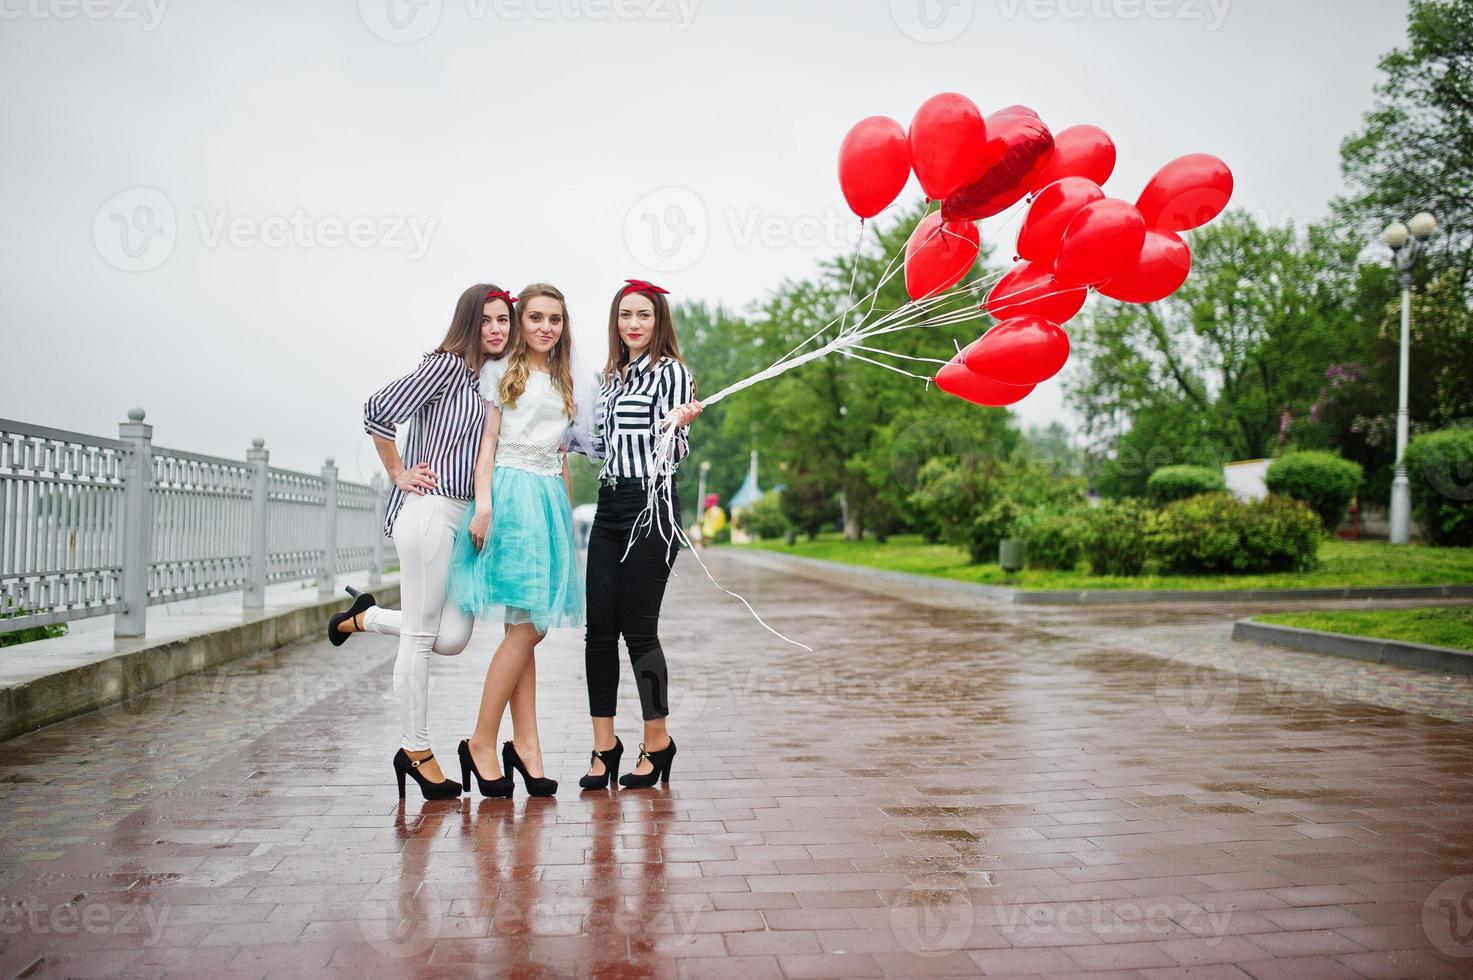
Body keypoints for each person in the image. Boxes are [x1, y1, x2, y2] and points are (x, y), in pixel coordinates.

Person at [333, 284, 516, 800]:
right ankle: (416, 751)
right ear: (469, 323)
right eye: (487, 320)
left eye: (504, 320)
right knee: (419, 638)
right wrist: (397, 471)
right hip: (430, 510)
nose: (497, 329)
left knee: (453, 636)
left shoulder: (497, 379)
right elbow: (377, 408)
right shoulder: (445, 366)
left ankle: (365, 618)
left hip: (469, 519)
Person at [448, 283, 586, 798]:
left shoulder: (567, 377)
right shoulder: (500, 371)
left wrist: (566, 520)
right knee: (531, 626)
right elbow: (487, 444)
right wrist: (483, 506)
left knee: (523, 622)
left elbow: (564, 455)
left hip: (548, 500)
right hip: (510, 497)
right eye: (535, 318)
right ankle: (482, 740)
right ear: (519, 322)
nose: (545, 327)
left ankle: (526, 742)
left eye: (554, 319)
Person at [580, 279, 702, 791]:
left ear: (659, 322)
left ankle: (657, 742)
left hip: (651, 505)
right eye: (626, 315)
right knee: (598, 632)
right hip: (609, 505)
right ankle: (604, 747)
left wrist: (676, 426)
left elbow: (674, 452)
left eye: (644, 315)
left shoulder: (672, 373)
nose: (634, 323)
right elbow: (597, 446)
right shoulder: (611, 380)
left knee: (640, 631)